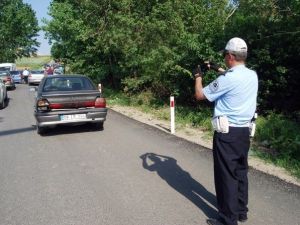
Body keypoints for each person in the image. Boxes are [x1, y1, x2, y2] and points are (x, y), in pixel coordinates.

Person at [194, 37, 258, 225]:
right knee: (240, 172)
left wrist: (198, 76)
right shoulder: (251, 75)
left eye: (225, 56)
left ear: (230, 56)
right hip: (243, 133)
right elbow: (231, 77)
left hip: (227, 134)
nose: (224, 59)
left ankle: (227, 219)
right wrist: (215, 68)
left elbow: (200, 95)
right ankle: (240, 211)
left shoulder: (228, 79)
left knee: (226, 175)